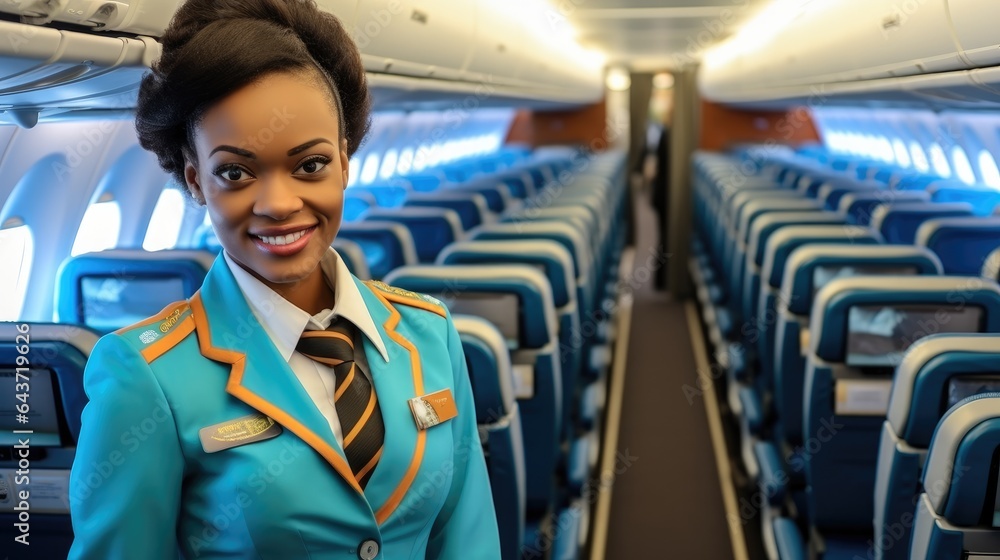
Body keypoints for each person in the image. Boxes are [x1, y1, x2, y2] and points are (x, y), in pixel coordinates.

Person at [67, 1, 501, 558]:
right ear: (197, 181)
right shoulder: (144, 377)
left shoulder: (430, 333)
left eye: (310, 165)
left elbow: (468, 538)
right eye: (236, 172)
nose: (278, 204)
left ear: (345, 161)